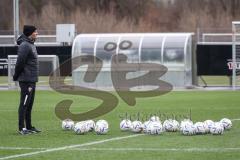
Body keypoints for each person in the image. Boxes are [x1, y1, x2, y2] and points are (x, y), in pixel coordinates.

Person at [13, 25, 41, 135]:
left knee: (29, 104)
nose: (37, 34)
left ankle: (29, 126)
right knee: (24, 104)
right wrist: (16, 76)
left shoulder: (31, 45)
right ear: (30, 33)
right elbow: (20, 62)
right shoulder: (25, 45)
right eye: (35, 32)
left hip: (32, 79)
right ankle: (21, 128)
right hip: (26, 80)